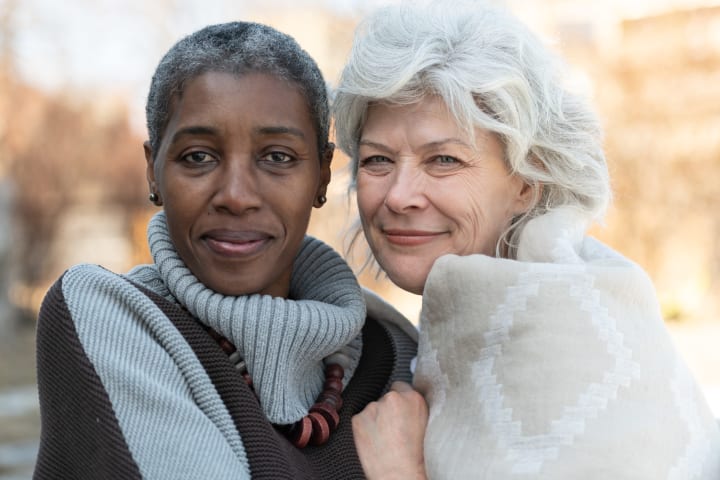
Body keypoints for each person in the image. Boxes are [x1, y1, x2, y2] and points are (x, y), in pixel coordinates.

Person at [334, 1, 720, 478]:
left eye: (444, 160)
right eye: (377, 160)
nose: (399, 195)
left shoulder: (578, 351)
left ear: (526, 182)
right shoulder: (445, 336)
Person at [33, 21, 421, 480]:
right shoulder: (108, 318)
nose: (236, 195)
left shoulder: (391, 349)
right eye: (198, 156)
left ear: (321, 177)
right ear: (153, 173)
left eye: (277, 156)